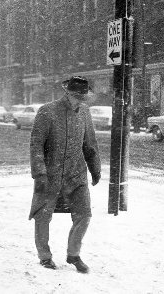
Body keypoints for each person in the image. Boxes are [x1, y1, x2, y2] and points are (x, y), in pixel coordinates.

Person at [29, 76, 101, 273]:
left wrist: (95, 169)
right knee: (43, 216)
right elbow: (36, 145)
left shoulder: (85, 112)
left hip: (76, 175)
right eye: (77, 96)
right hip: (50, 175)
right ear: (67, 93)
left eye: (83, 97)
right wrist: (39, 172)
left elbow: (90, 144)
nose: (80, 101)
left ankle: (73, 254)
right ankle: (44, 256)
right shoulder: (48, 111)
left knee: (84, 214)